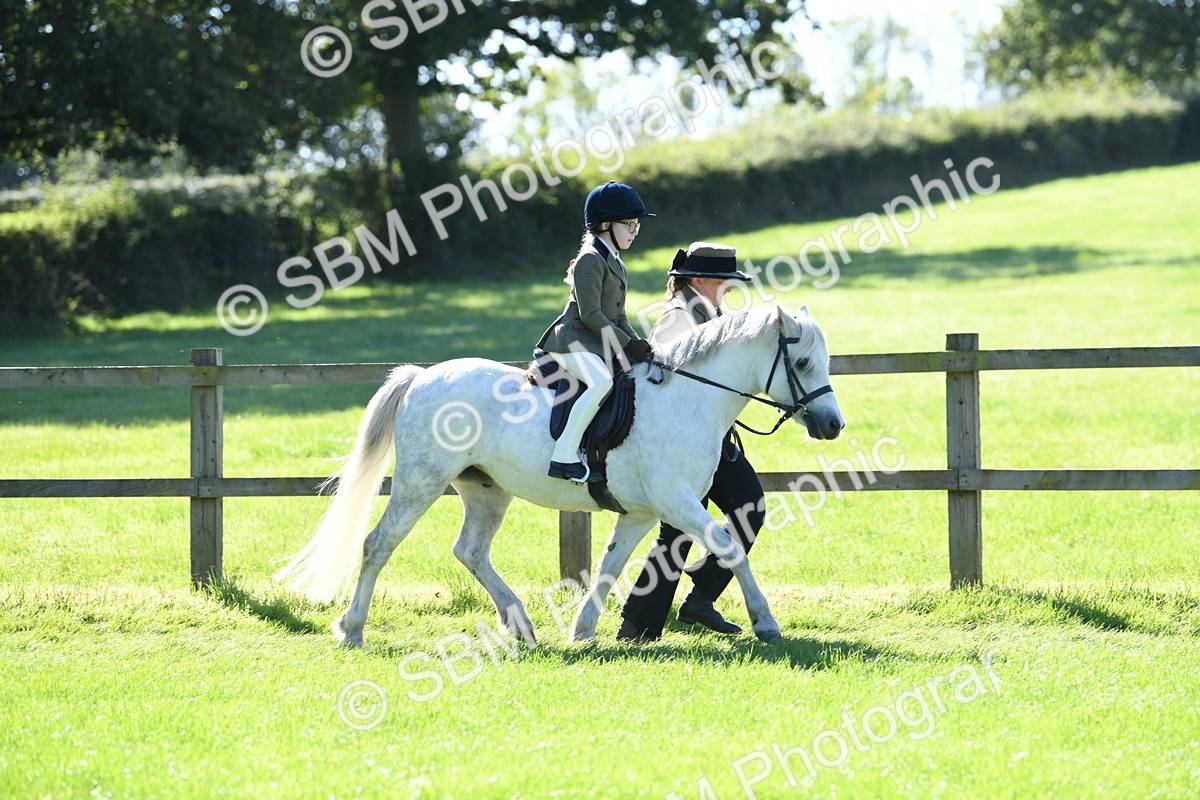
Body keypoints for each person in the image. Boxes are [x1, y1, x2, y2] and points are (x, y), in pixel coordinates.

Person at [617, 242, 766, 640]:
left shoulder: (712, 314)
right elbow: (657, 382)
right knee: (677, 531)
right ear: (698, 280)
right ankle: (637, 624)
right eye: (724, 281)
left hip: (709, 439)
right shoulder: (677, 320)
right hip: (675, 443)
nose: (730, 288)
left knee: (749, 507)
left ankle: (699, 599)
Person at [535, 181, 656, 483]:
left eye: (636, 225)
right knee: (601, 383)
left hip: (595, 342)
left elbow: (620, 316)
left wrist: (638, 343)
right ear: (604, 225)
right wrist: (625, 343)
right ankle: (563, 456)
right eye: (628, 224)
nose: (634, 231)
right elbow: (591, 315)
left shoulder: (616, 261)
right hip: (572, 341)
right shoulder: (590, 258)